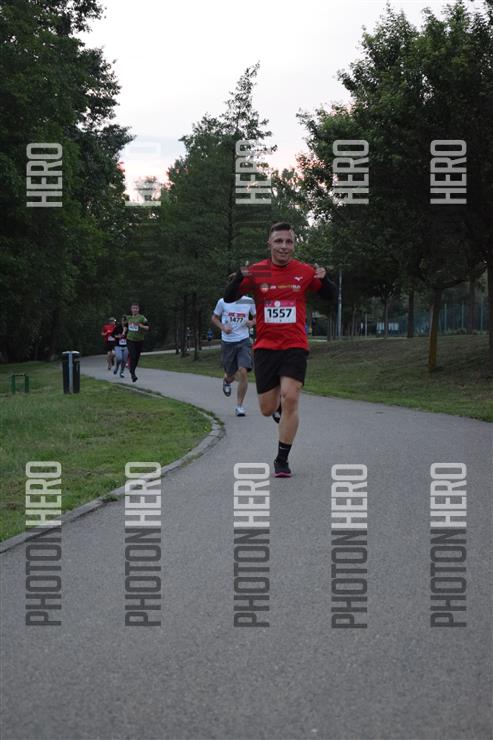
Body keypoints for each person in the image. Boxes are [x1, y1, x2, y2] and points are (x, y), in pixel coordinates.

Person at [224, 221, 337, 477]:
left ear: (294, 245)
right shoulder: (258, 271)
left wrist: (326, 279)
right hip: (265, 347)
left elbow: (330, 296)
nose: (284, 246)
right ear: (269, 244)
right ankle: (276, 409)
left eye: (289, 241)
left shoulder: (304, 271)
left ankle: (282, 460)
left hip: (294, 344)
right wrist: (240, 277)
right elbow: (229, 297)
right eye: (279, 241)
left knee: (291, 397)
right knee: (267, 408)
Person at [211, 296, 256, 417]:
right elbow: (214, 318)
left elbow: (258, 316)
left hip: (244, 340)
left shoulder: (248, 301)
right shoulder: (223, 301)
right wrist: (223, 328)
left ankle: (239, 406)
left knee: (243, 370)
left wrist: (252, 322)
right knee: (231, 377)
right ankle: (227, 381)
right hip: (228, 343)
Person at [126, 303, 149, 382]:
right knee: (133, 355)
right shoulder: (128, 318)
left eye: (136, 308)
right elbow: (124, 326)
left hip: (139, 340)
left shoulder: (142, 318)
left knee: (136, 357)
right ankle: (133, 374)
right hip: (130, 339)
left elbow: (148, 327)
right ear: (131, 309)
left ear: (138, 309)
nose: (135, 310)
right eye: (133, 308)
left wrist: (141, 326)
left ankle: (132, 370)